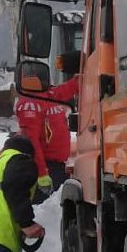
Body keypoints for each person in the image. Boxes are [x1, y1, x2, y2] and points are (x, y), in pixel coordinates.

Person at [14, 73, 78, 203]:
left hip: (58, 165)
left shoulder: (51, 96)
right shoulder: (29, 104)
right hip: (46, 167)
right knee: (46, 209)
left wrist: (83, 76)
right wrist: (42, 173)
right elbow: (31, 143)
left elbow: (69, 88)